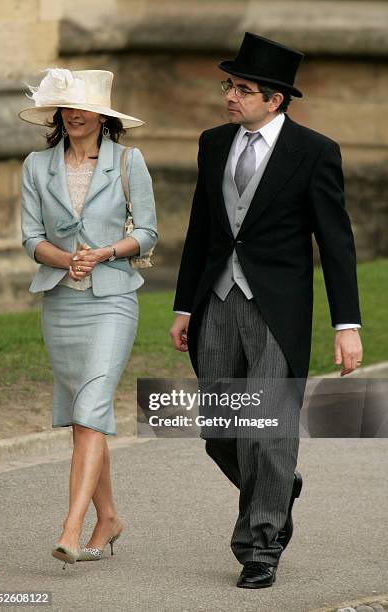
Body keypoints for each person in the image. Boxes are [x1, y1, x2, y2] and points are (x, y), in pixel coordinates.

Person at [170, 33, 362, 589]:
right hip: (215, 303)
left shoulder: (315, 151)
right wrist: (185, 307)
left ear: (275, 99)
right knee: (220, 430)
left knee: (270, 430)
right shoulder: (211, 143)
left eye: (243, 88)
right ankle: (281, 486)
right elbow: (201, 230)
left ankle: (260, 544)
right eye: (229, 84)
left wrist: (345, 325)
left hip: (277, 310)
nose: (231, 95)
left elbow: (337, 242)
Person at [19, 68, 157, 568]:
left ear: (102, 114)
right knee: (84, 416)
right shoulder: (36, 165)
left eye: (83, 106)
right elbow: (31, 238)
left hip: (113, 299)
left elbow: (147, 232)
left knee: (93, 405)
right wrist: (66, 259)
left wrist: (101, 254)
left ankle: (71, 526)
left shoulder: (128, 161)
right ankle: (109, 517)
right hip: (61, 302)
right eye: (66, 106)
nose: (74, 114)